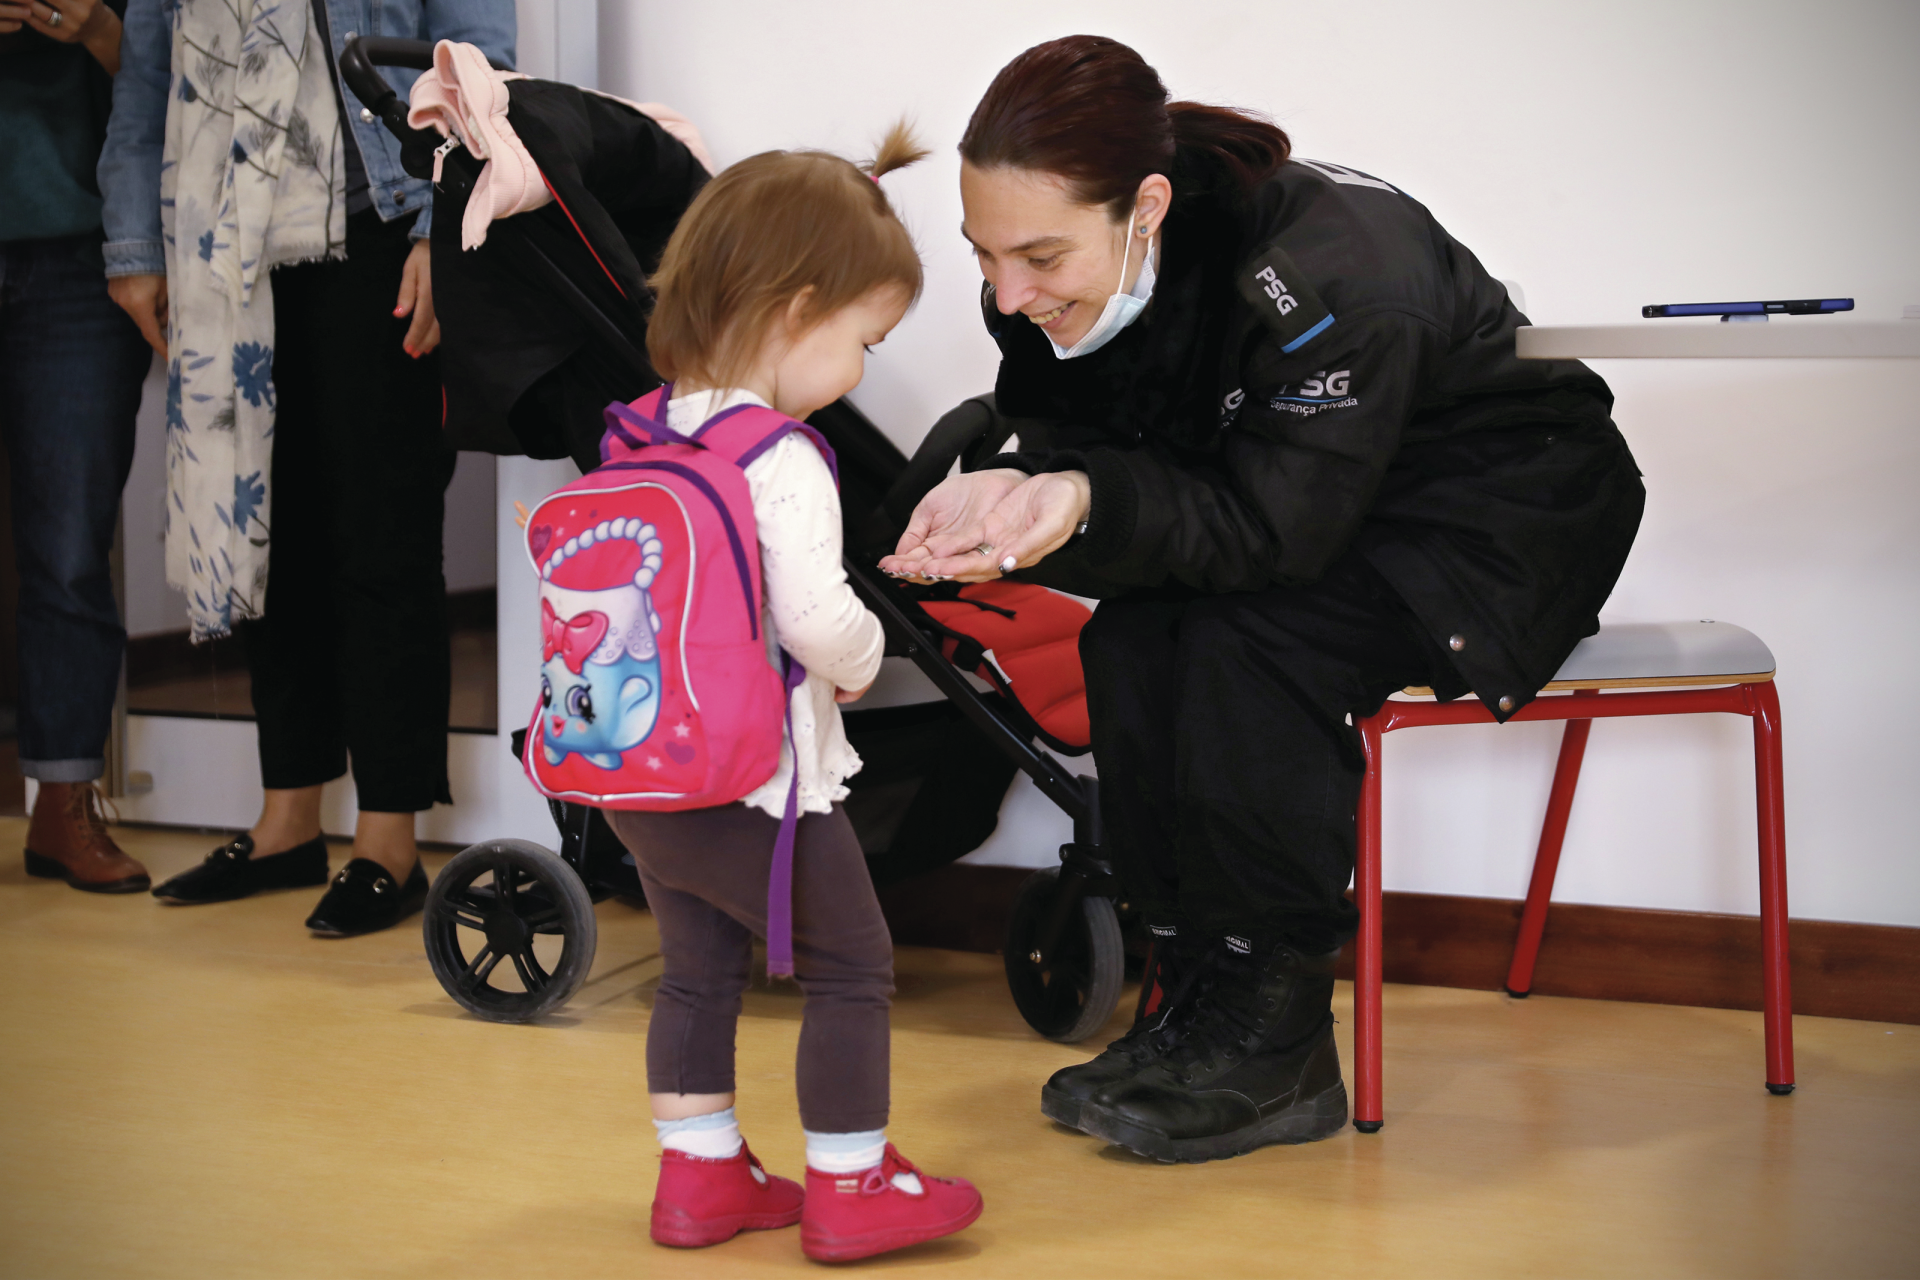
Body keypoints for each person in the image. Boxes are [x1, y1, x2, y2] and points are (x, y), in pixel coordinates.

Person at [882, 36, 1645, 1163]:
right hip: (1313, 499)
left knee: (1252, 644)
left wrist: (1087, 499)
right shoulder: (1041, 282)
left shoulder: (1337, 271)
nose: (1008, 292)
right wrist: (1017, 494)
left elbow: (1273, 533)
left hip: (1498, 512)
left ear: (1146, 204)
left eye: (1039, 254)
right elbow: (1100, 469)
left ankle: (1276, 1039)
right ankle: (1193, 998)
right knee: (1137, 639)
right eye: (983, 254)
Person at [608, 128, 983, 1263]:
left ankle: (703, 1179)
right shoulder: (779, 456)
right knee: (855, 966)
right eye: (863, 340)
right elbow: (816, 621)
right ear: (794, 308)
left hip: (644, 772)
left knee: (695, 972)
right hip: (760, 785)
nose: (862, 369)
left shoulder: (641, 425)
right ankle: (851, 1182)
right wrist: (873, 654)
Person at [98, 0, 514, 934]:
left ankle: (388, 839)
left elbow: (476, 61)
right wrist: (134, 246)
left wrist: (438, 229)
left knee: (382, 535)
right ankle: (288, 817)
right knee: (261, 530)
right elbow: (144, 81)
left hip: (378, 224)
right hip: (219, 239)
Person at [2, 0, 154, 893]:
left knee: (68, 543)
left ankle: (62, 801)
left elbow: (185, 84)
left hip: (83, 251)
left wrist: (98, 25)